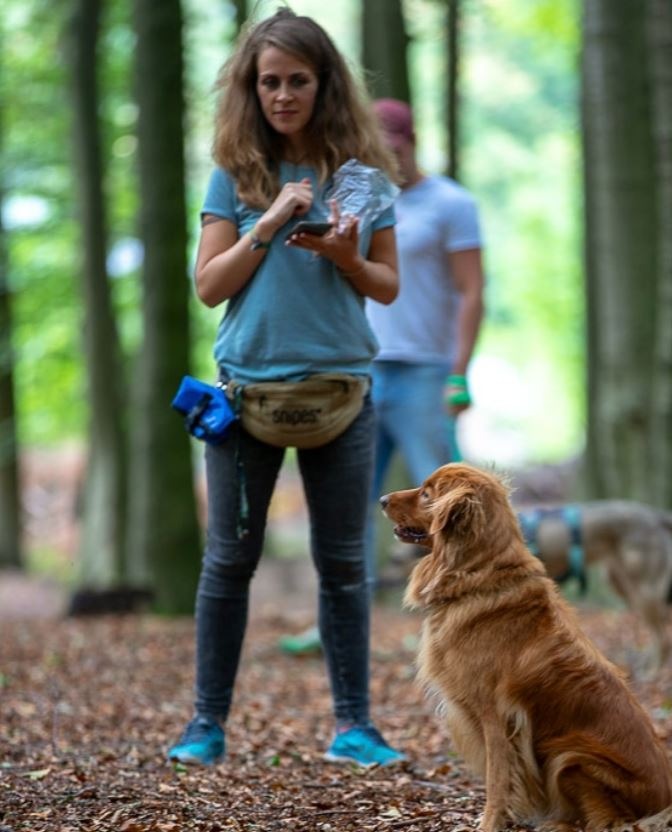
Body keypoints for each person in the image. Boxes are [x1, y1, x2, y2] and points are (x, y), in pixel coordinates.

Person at [167, 8, 405, 768]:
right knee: (229, 564)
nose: (282, 95)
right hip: (245, 399)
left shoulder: (366, 178)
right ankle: (205, 726)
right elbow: (208, 286)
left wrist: (344, 255)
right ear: (250, 87)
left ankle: (354, 728)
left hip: (343, 394)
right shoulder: (234, 173)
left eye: (298, 80)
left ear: (325, 83)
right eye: (268, 81)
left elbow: (387, 286)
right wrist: (267, 220)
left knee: (344, 566)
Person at [365, 97, 485, 586]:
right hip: (365, 372)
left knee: (444, 506)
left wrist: (458, 372)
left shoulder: (451, 204)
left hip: (426, 373)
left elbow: (472, 290)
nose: (385, 156)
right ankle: (336, 619)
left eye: (391, 144)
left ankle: (465, 608)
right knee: (347, 502)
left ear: (410, 140)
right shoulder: (363, 204)